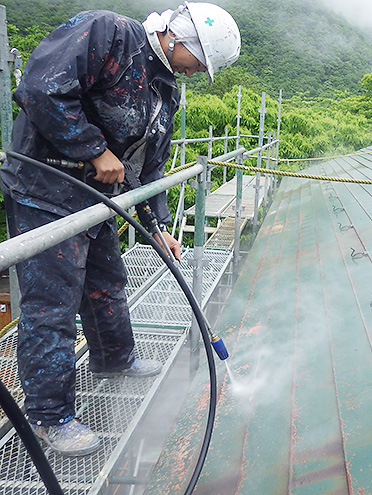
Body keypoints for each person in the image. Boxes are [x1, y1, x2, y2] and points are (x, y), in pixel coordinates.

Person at [0, 2, 240, 456]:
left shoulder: (165, 88)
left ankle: (115, 361)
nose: (196, 72)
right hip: (45, 192)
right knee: (53, 307)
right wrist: (93, 149)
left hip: (95, 201)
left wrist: (159, 224)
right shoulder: (108, 34)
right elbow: (40, 89)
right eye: (200, 62)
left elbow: (147, 169)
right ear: (180, 38)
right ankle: (51, 418)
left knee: (107, 284)